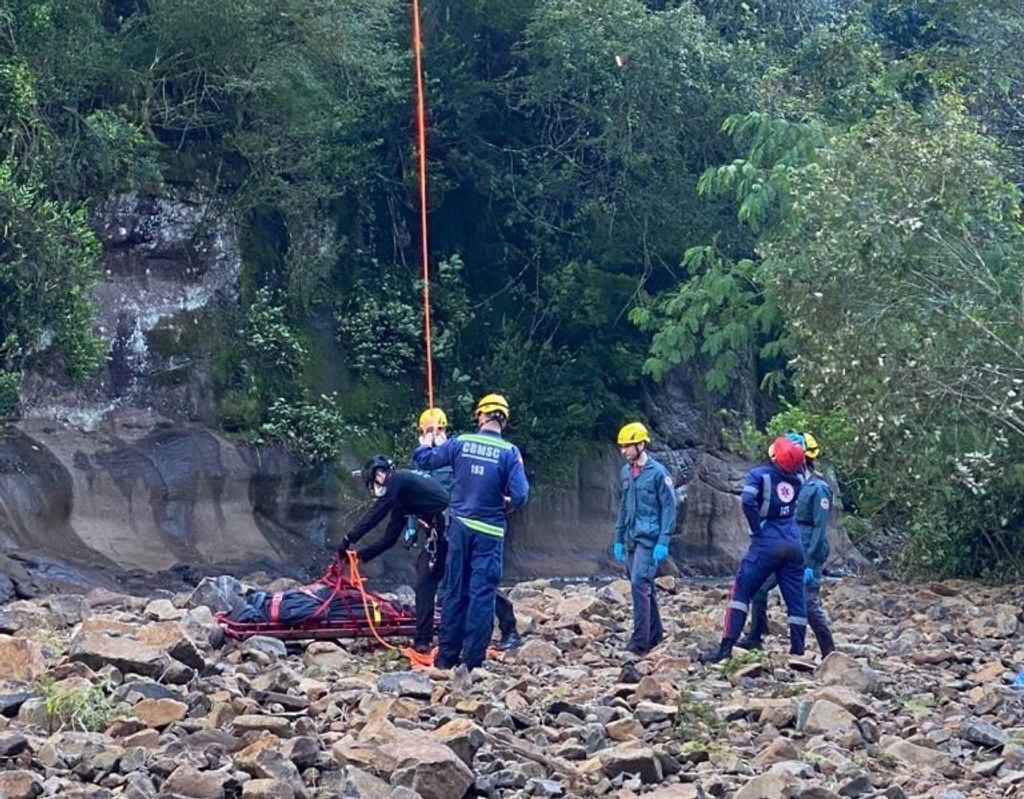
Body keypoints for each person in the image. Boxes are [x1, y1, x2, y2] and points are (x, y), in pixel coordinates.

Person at [413, 393, 529, 670]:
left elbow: (424, 461)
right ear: (503, 420)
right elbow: (521, 495)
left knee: (454, 591)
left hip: (461, 528)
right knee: (482, 594)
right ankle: (474, 660)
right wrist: (507, 504)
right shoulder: (509, 453)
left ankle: (446, 658)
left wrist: (426, 442)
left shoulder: (461, 443)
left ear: (481, 415)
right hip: (490, 532)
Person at [701, 436, 808, 663]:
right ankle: (798, 651)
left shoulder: (759, 475)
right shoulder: (799, 478)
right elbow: (801, 466)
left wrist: (755, 528)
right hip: (793, 541)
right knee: (795, 598)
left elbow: (748, 501)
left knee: (740, 592)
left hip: (767, 541)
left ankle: (726, 648)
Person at [337, 454, 448, 655]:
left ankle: (507, 624)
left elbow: (377, 512)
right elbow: (389, 539)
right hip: (439, 537)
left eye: (374, 481)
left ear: (380, 473)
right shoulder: (402, 498)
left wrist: (348, 538)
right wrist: (358, 555)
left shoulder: (398, 480)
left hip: (452, 532)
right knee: (425, 582)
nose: (375, 486)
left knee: (468, 578)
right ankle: (423, 640)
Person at [737, 432, 835, 656]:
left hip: (807, 549)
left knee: (807, 603)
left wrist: (811, 563)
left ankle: (829, 650)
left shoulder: (818, 488)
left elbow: (820, 529)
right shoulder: (790, 480)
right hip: (783, 544)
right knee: (759, 588)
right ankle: (755, 635)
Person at [612, 422, 677, 656]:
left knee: (640, 582)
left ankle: (640, 641)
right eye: (622, 446)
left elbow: (669, 508)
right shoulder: (626, 472)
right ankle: (655, 632)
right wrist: (618, 537)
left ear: (640, 444)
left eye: (627, 446)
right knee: (643, 583)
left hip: (650, 538)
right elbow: (622, 507)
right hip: (630, 536)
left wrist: (664, 540)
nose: (624, 451)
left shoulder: (659, 473)